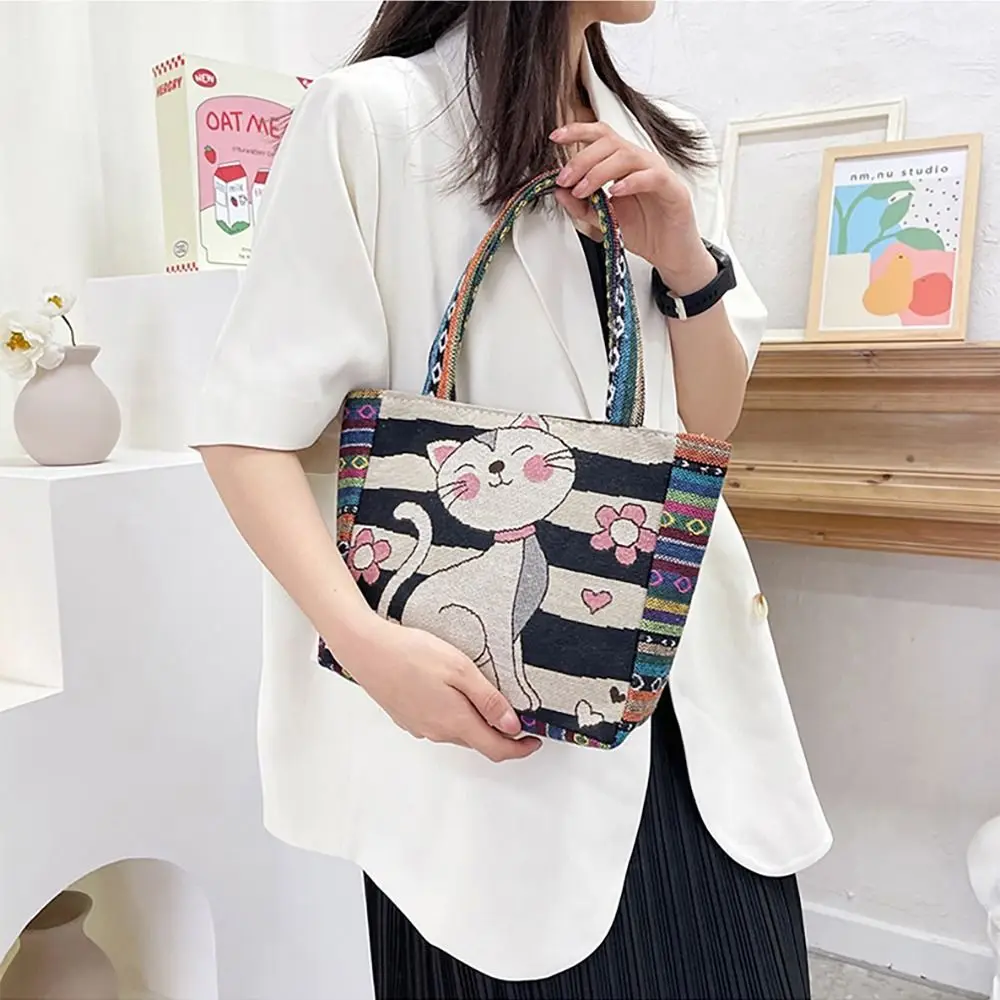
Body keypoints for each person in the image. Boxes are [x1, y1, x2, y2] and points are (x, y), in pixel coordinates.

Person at [192, 2, 832, 997]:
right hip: (487, 727)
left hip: (686, 701)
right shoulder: (375, 118)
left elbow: (705, 423)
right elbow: (246, 430)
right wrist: (367, 647)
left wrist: (684, 262)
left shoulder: (651, 138)